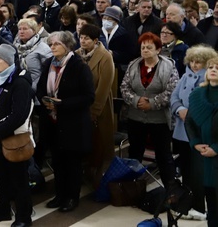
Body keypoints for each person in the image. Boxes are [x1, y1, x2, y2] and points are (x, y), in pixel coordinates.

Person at [37, 30, 94, 213]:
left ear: (67, 46)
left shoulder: (79, 66)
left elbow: (88, 97)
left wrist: (62, 105)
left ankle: (72, 197)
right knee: (58, 161)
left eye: (56, 44)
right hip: (53, 121)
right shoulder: (48, 64)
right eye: (51, 44)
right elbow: (40, 88)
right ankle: (60, 195)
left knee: (72, 162)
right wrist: (45, 100)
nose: (52, 47)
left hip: (73, 122)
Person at [0, 43, 34, 226]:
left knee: (19, 180)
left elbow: (18, 115)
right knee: (1, 177)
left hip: (14, 139)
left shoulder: (20, 83)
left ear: (9, 61)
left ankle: (23, 217)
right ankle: (3, 209)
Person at [120, 32, 179, 187]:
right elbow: (124, 87)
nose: (145, 50)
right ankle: (131, 188)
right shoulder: (134, 65)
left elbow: (172, 90)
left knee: (164, 156)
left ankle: (171, 192)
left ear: (158, 49)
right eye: (143, 47)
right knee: (134, 154)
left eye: (149, 47)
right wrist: (136, 100)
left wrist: (152, 103)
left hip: (159, 119)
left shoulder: (169, 66)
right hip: (135, 117)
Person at [172, 45, 213, 222]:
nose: (195, 65)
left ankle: (199, 206)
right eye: (193, 62)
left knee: (199, 173)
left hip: (199, 132)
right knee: (186, 169)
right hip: (182, 130)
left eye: (199, 62)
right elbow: (174, 97)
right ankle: (187, 203)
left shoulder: (209, 81)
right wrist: (180, 109)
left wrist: (191, 113)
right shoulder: (184, 76)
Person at [76, 23, 116, 184]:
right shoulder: (77, 54)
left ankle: (99, 175)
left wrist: (94, 111)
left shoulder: (105, 56)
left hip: (99, 105)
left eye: (87, 39)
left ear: (95, 40)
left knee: (100, 143)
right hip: (80, 104)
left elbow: (104, 86)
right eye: (81, 38)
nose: (83, 41)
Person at [186, 55, 218, 227]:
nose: (213, 70)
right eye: (211, 67)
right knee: (210, 200)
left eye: (217, 68)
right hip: (203, 155)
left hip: (216, 153)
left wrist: (216, 148)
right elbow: (189, 121)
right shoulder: (198, 94)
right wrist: (195, 142)